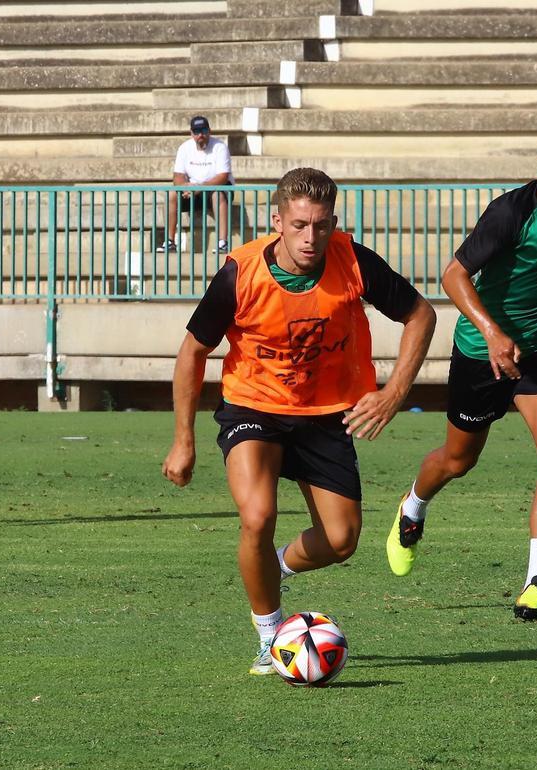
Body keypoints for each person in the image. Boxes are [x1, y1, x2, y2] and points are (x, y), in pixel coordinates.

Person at [162, 167, 436, 674]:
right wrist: (184, 440)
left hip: (327, 415)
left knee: (341, 541)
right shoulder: (238, 273)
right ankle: (270, 638)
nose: (312, 237)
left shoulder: (353, 261)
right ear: (277, 221)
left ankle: (277, 567)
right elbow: (192, 351)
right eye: (300, 225)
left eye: (323, 225)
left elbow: (421, 314)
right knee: (257, 516)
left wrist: (394, 392)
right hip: (254, 408)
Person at [385, 122, 537, 622]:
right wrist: (494, 334)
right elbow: (453, 275)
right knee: (459, 460)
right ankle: (412, 506)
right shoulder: (511, 212)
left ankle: (536, 582)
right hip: (482, 350)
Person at [157, 115, 234, 254]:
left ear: (209, 131)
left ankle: (223, 242)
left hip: (215, 188)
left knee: (218, 194)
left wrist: (199, 188)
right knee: (172, 194)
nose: (201, 135)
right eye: (197, 132)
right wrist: (184, 187)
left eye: (204, 131)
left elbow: (223, 177)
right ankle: (169, 241)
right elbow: (178, 176)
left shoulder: (220, 147)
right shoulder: (184, 148)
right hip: (193, 191)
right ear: (191, 133)